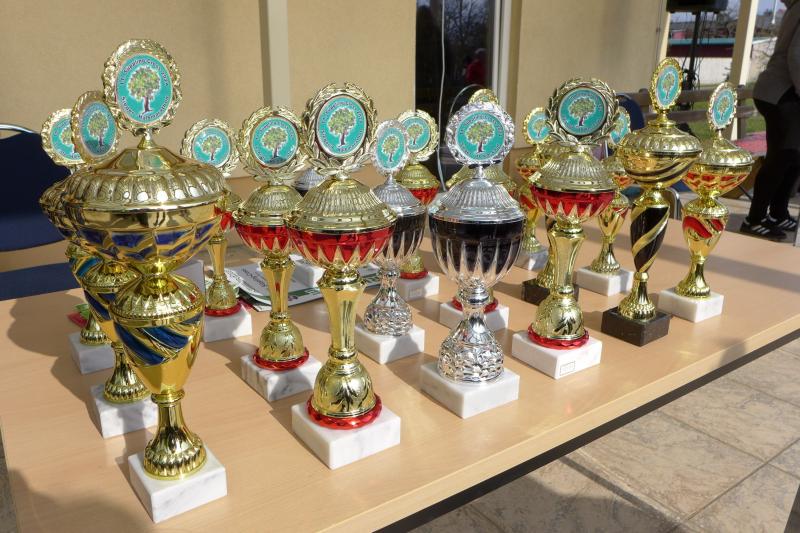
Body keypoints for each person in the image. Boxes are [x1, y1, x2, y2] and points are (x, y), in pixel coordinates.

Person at [742, 0, 800, 240]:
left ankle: (778, 212)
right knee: (783, 155)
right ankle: (754, 219)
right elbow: (796, 56)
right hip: (780, 92)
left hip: (784, 91)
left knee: (794, 156)